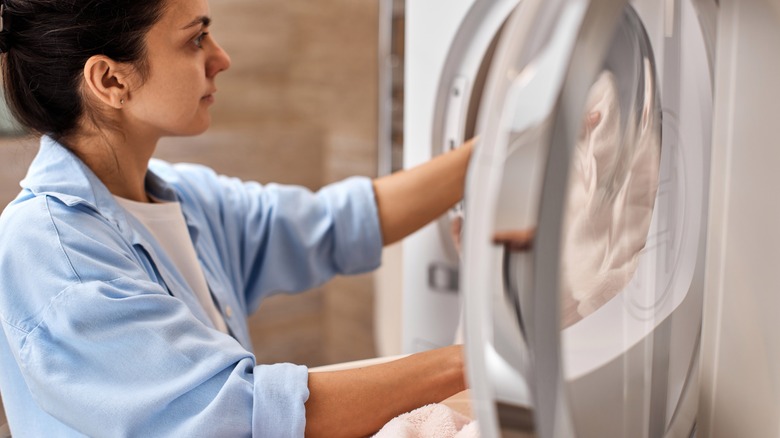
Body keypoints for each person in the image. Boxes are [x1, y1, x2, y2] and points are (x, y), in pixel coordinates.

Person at [0, 0, 473, 436]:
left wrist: (490, 155)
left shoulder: (182, 196)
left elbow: (332, 224)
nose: (220, 58)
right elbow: (240, 417)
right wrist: (471, 361)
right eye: (195, 39)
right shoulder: (52, 253)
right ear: (111, 81)